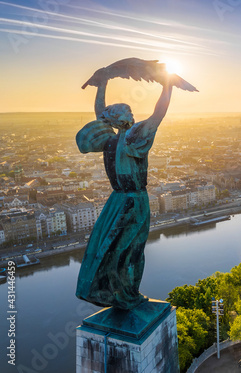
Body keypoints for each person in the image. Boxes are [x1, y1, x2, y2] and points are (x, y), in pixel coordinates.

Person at [75, 69, 176, 310]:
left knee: (109, 247)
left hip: (116, 201)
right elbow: (158, 113)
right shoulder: (134, 138)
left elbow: (101, 113)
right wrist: (168, 86)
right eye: (128, 111)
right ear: (122, 120)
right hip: (135, 201)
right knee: (133, 250)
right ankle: (129, 294)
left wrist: (103, 83)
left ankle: (113, 292)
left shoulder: (109, 141)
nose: (132, 113)